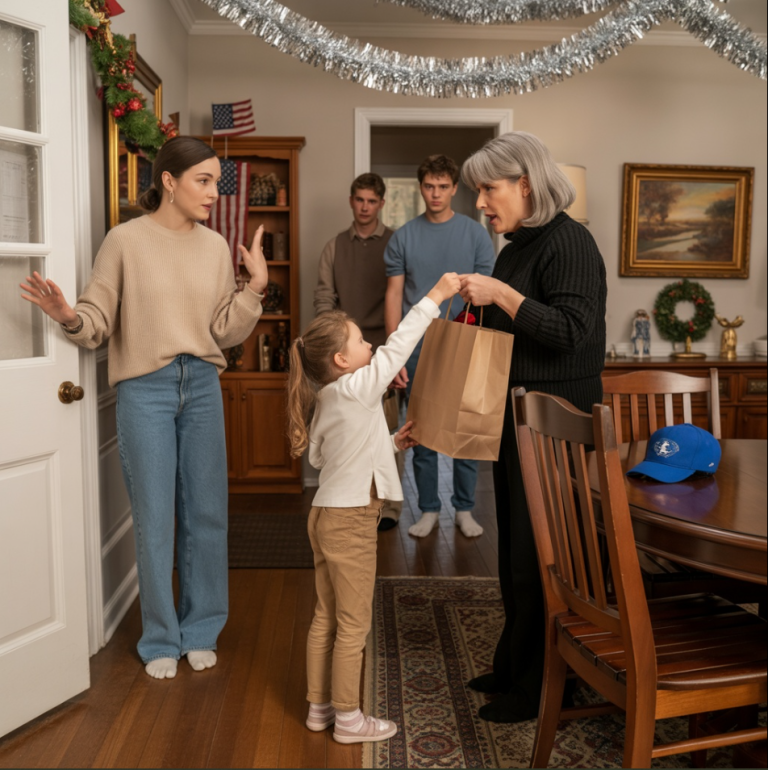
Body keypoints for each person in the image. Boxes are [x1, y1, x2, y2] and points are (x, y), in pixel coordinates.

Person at [19, 136, 268, 680]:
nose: (212, 191)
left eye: (217, 181)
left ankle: (201, 628)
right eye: (203, 180)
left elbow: (224, 329)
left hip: (202, 383)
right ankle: (161, 636)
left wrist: (256, 290)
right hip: (145, 388)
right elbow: (96, 319)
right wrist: (67, 314)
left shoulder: (215, 246)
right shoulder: (124, 241)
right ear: (171, 182)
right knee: (155, 516)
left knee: (206, 514)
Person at [458, 131, 607, 723]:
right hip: (517, 416)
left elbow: (570, 330)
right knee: (515, 554)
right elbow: (513, 332)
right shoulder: (515, 246)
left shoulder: (571, 242)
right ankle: (515, 666)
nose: (481, 203)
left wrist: (499, 293)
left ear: (525, 183)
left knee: (543, 560)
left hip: (555, 428)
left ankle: (545, 688)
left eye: (488, 189)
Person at [288, 271, 462, 743]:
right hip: (351, 520)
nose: (371, 346)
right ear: (343, 360)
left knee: (326, 615)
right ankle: (348, 718)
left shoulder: (327, 397)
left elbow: (331, 457)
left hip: (324, 515)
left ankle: (318, 708)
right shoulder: (358, 386)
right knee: (353, 623)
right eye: (362, 342)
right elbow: (399, 345)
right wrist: (436, 296)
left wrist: (390, 441)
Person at [384, 154, 496, 539]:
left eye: (443, 186)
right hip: (417, 347)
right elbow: (394, 294)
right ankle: (429, 509)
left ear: (454, 188)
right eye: (429, 186)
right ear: (421, 188)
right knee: (422, 431)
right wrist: (393, 354)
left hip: (466, 342)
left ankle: (464, 509)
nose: (436, 193)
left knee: (466, 429)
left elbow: (487, 294)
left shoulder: (477, 234)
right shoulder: (404, 236)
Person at [314, 173, 403, 531]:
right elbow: (324, 297)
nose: (365, 206)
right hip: (342, 352)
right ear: (351, 201)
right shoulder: (334, 246)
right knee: (347, 425)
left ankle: (389, 507)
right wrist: (332, 345)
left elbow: (401, 294)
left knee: (387, 426)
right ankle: (352, 497)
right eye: (359, 199)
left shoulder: (395, 243)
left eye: (372, 200)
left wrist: (394, 351)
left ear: (381, 204)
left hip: (383, 348)